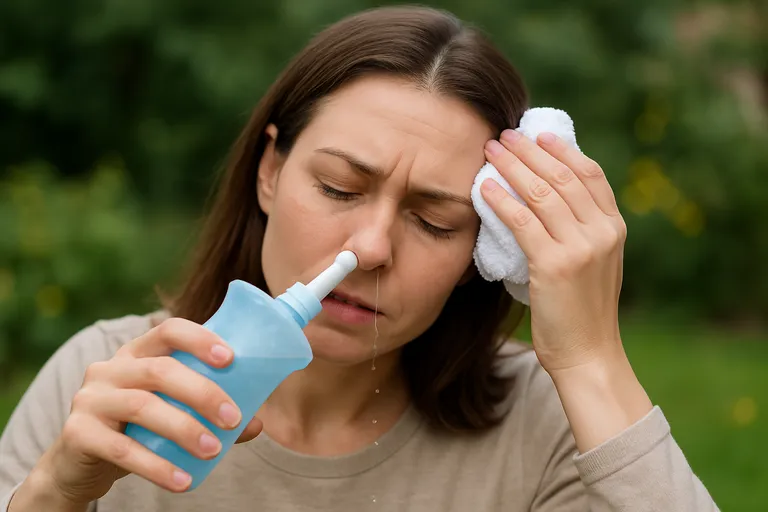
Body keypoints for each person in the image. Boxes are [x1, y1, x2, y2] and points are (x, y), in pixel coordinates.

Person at [0, 6, 719, 511]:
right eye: (340, 187)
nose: (370, 249)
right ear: (270, 171)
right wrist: (56, 492)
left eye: (436, 222)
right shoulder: (107, 381)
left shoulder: (545, 428)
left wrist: (593, 364)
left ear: (487, 249)